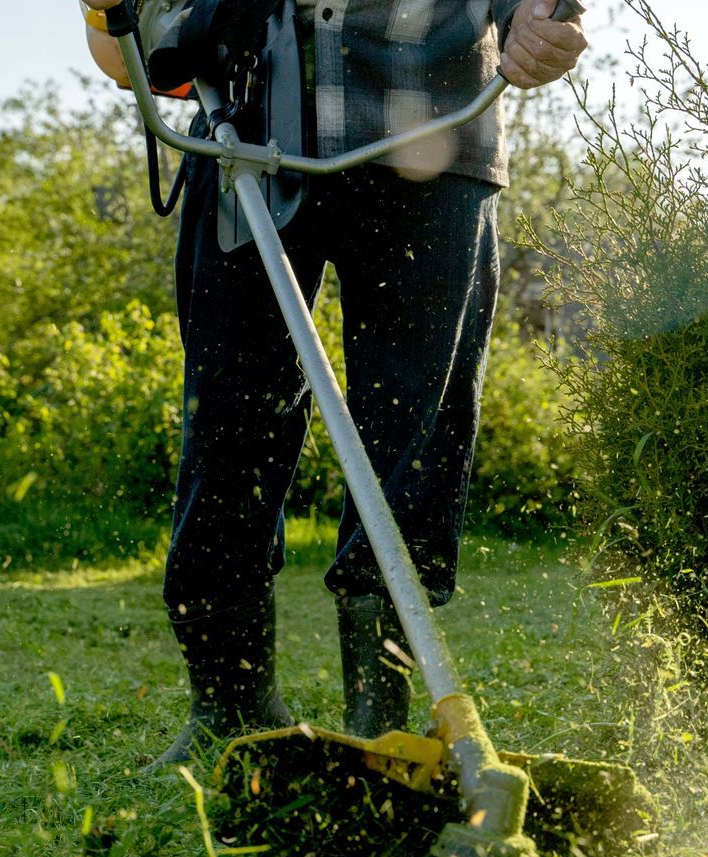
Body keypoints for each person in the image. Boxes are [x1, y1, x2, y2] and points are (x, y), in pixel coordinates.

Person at [82, 0, 588, 765]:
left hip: (437, 134)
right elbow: (124, 56)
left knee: (415, 435)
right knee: (229, 426)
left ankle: (377, 724)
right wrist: (106, 11)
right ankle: (229, 709)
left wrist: (537, 19)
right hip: (245, 137)